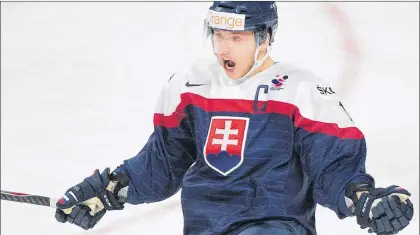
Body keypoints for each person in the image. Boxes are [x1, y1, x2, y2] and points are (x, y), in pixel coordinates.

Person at [54, 2, 414, 235]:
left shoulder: (302, 91)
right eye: (219, 36)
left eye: (236, 38)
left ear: (265, 38)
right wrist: (106, 191)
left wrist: (366, 198)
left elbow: (334, 168)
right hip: (205, 226)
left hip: (274, 226)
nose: (224, 48)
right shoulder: (190, 85)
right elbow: (161, 164)